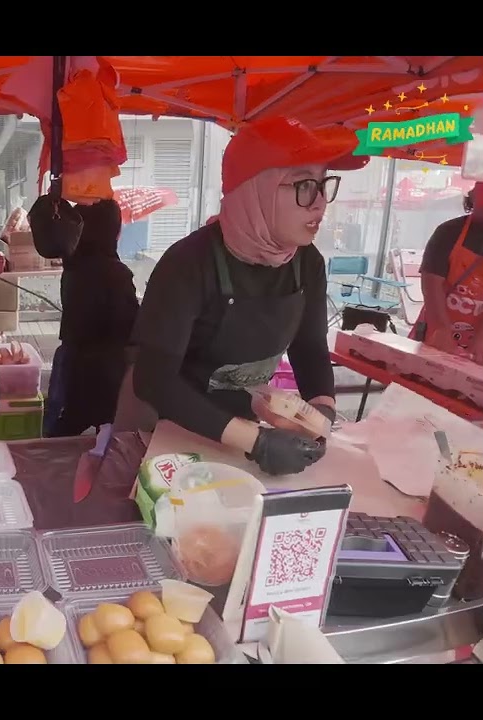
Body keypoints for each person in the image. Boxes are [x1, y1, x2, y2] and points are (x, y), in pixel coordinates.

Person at [119, 116, 364, 476]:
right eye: (303, 185)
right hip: (166, 430)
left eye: (323, 184)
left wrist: (320, 414)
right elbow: (154, 380)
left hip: (242, 431)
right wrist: (256, 442)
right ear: (255, 188)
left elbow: (309, 347)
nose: (319, 204)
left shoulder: (306, 262)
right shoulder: (188, 263)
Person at [46, 197, 139, 437]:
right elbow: (128, 325)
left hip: (73, 360)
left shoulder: (73, 267)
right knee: (107, 424)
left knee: (70, 420)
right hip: (105, 369)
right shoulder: (116, 273)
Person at [412, 182, 483, 365]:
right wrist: (441, 329)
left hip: (481, 352)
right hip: (436, 339)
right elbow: (431, 284)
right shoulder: (448, 232)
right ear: (472, 192)